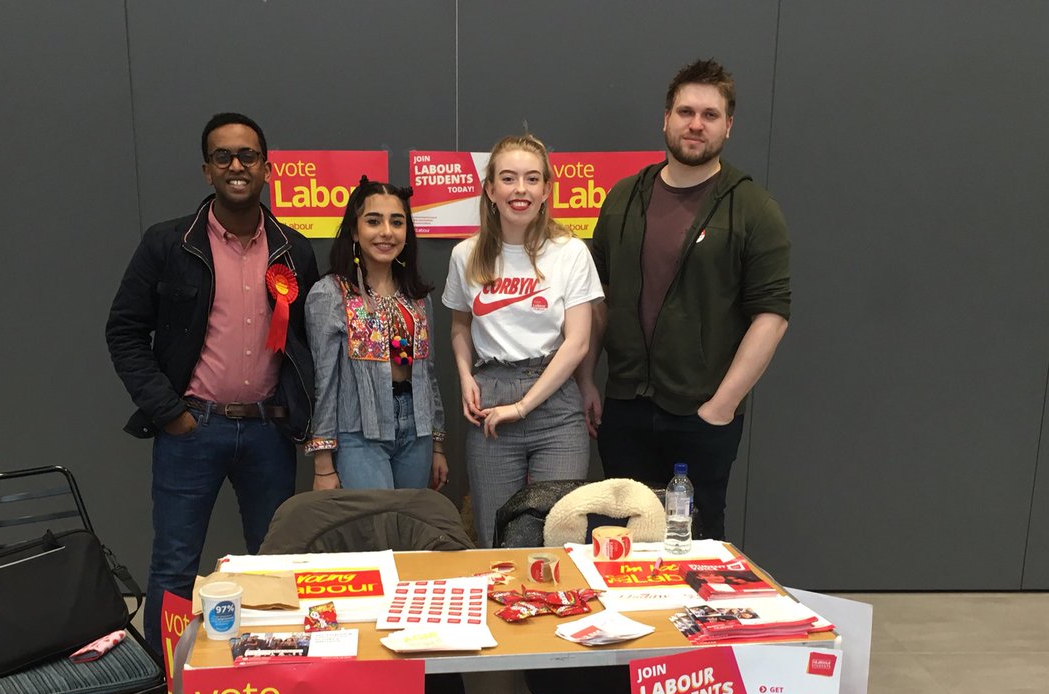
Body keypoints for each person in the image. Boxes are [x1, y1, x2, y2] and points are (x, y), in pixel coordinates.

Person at [106, 112, 317, 660]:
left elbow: (310, 343)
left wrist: (298, 414)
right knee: (175, 565)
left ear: (267, 168)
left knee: (272, 566)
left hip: (269, 433)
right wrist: (168, 411)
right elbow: (124, 331)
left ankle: (270, 683)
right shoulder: (168, 244)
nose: (237, 165)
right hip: (191, 430)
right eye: (223, 156)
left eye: (248, 155)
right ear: (206, 170)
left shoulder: (294, 249)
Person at [582, 59, 791, 540]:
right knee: (619, 539)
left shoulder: (753, 209)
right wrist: (588, 382)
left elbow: (772, 316)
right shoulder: (622, 199)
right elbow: (599, 299)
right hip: (625, 406)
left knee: (697, 545)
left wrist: (722, 405)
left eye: (710, 115)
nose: (696, 124)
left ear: (729, 125)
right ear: (666, 118)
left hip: (703, 414)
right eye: (685, 111)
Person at [443, 134, 603, 546]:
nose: (521, 190)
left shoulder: (570, 252)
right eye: (509, 179)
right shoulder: (466, 254)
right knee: (499, 538)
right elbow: (460, 326)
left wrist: (523, 406)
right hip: (490, 404)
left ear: (547, 189)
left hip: (555, 406)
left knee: (560, 536)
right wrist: (465, 374)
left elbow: (578, 342)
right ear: (491, 189)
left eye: (532, 179)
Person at [304, 179, 448, 491]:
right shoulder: (330, 294)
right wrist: (323, 463)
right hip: (359, 431)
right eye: (373, 221)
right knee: (376, 531)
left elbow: (429, 373)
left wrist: (437, 443)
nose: (386, 232)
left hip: (416, 430)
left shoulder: (418, 298)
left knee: (408, 530)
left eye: (397, 222)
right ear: (354, 231)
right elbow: (324, 382)